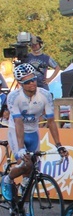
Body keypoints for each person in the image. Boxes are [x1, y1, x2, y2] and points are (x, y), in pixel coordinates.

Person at [1, 64, 68, 203]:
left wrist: (59, 145)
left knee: (32, 171)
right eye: (27, 82)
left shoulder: (45, 95)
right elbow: (18, 123)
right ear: (20, 83)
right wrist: (20, 149)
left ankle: (24, 207)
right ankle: (7, 180)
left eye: (34, 79)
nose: (32, 83)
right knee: (26, 164)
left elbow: (51, 122)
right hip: (17, 132)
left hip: (33, 131)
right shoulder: (14, 97)